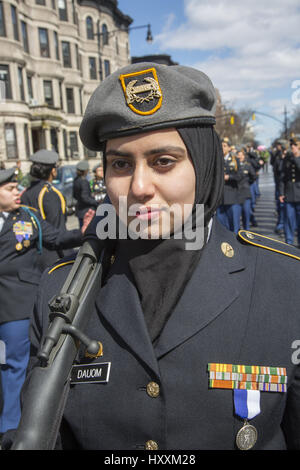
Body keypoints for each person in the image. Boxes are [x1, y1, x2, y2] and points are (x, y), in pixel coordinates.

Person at [7, 63, 300, 451]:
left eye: (164, 161)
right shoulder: (60, 291)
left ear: (204, 164)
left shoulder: (285, 282)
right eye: (121, 164)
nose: (140, 187)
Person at [0, 167, 93, 437]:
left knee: (16, 366)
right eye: (9, 189)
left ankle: (12, 429)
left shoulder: (27, 217)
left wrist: (83, 232)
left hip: (16, 306)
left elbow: (56, 237)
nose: (17, 191)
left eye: (16, 186)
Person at [21, 150, 69, 270]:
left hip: (33, 255)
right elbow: (58, 227)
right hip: (53, 256)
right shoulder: (50, 194)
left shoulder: (26, 193)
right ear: (53, 171)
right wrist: (69, 256)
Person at [216, 138, 243, 233]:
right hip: (220, 197)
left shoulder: (235, 160)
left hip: (232, 197)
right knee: (221, 227)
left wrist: (229, 177)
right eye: (221, 145)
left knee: (234, 226)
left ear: (229, 148)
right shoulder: (216, 159)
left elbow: (240, 175)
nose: (222, 148)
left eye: (224, 146)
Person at [279, 138, 300, 247]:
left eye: (295, 145)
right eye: (292, 144)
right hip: (289, 194)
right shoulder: (287, 158)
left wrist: (296, 157)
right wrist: (281, 193)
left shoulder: (296, 158)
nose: (292, 147)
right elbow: (282, 177)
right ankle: (289, 242)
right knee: (289, 219)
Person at [73, 160, 98, 229]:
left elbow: (74, 195)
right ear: (85, 171)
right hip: (87, 211)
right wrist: (96, 202)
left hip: (80, 210)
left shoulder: (76, 180)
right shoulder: (84, 182)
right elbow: (85, 197)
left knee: (82, 229)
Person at [236, 147, 256, 231]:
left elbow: (253, 177)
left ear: (244, 156)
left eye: (241, 155)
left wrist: (247, 183)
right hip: (236, 193)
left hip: (245, 192)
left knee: (246, 213)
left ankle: (246, 230)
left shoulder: (248, 166)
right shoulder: (234, 165)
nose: (239, 157)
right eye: (238, 155)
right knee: (236, 215)